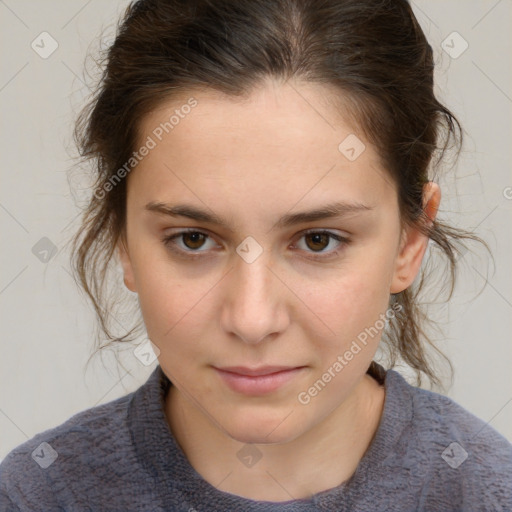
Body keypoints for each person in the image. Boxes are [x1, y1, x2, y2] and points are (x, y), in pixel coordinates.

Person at [1, 0, 511, 510]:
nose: (251, 319)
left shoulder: (488, 493)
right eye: (193, 239)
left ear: (410, 239)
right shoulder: (33, 496)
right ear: (122, 239)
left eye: (318, 240)